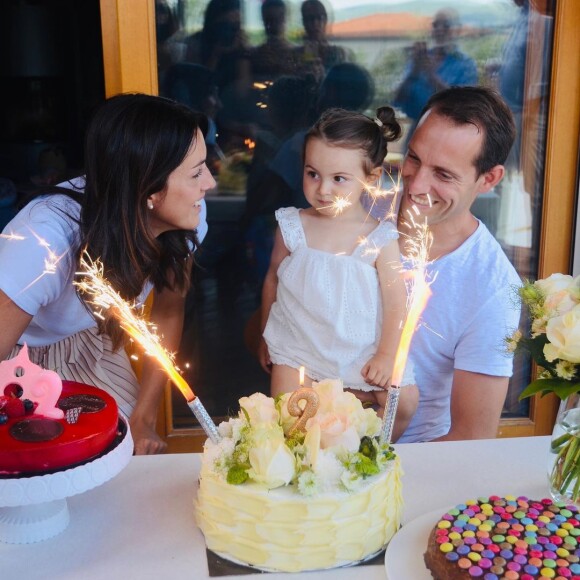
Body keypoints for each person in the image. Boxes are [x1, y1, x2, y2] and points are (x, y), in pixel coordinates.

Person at [0, 94, 215, 454]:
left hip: (87, 344)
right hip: (16, 361)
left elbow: (167, 310)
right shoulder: (44, 242)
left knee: (119, 448)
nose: (208, 183)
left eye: (204, 166)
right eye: (196, 173)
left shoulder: (187, 214)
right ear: (149, 189)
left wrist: (144, 417)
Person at [259, 107, 418, 441]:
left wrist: (386, 355)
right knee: (287, 416)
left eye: (338, 179)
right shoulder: (293, 226)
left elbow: (396, 304)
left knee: (404, 402)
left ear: (371, 178)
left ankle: (373, 453)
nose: (323, 190)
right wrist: (266, 335)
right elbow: (273, 278)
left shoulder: (379, 239)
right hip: (299, 346)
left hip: (359, 349)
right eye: (312, 173)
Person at [396, 86, 521, 443]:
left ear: (490, 179)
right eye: (414, 158)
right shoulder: (358, 206)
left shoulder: (494, 290)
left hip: (408, 462)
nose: (417, 185)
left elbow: (471, 436)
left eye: (444, 175)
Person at [393, 9, 477, 127]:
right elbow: (397, 99)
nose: (439, 30)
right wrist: (413, 72)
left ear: (457, 31)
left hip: (449, 130)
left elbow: (462, 104)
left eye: (446, 25)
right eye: (435, 25)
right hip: (417, 129)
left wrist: (431, 76)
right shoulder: (420, 58)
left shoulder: (466, 64)